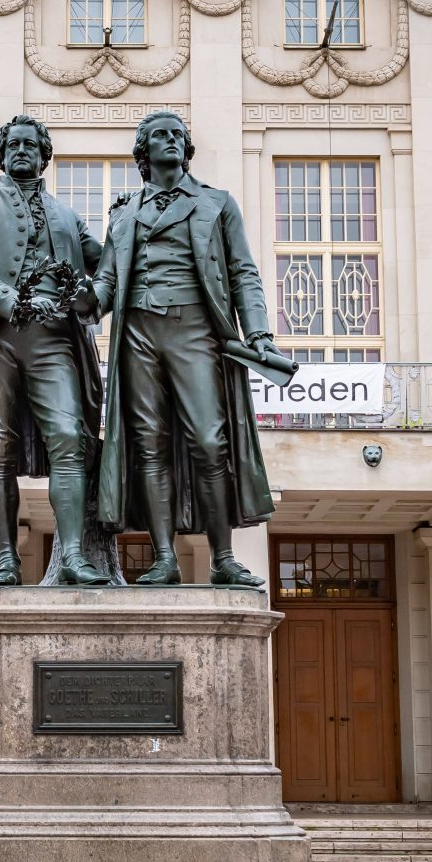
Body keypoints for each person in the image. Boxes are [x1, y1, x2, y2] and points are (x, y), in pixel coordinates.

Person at [93, 109, 275, 586]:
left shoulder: (217, 203)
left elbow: (243, 273)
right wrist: (77, 297)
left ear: (187, 149)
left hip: (195, 328)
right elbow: (105, 285)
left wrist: (257, 333)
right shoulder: (123, 213)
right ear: (143, 151)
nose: (171, 140)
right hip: (138, 333)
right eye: (160, 135)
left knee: (209, 442)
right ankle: (163, 558)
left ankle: (222, 558)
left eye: (178, 135)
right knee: (149, 445)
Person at [0, 114, 107, 586]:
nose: (22, 151)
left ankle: (74, 557)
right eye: (14, 145)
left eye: (31, 145)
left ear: (44, 156)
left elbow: (106, 273)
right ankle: (6, 559)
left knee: (69, 439)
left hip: (55, 341)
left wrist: (83, 290)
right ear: (2, 154)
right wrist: (11, 300)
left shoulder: (68, 218)